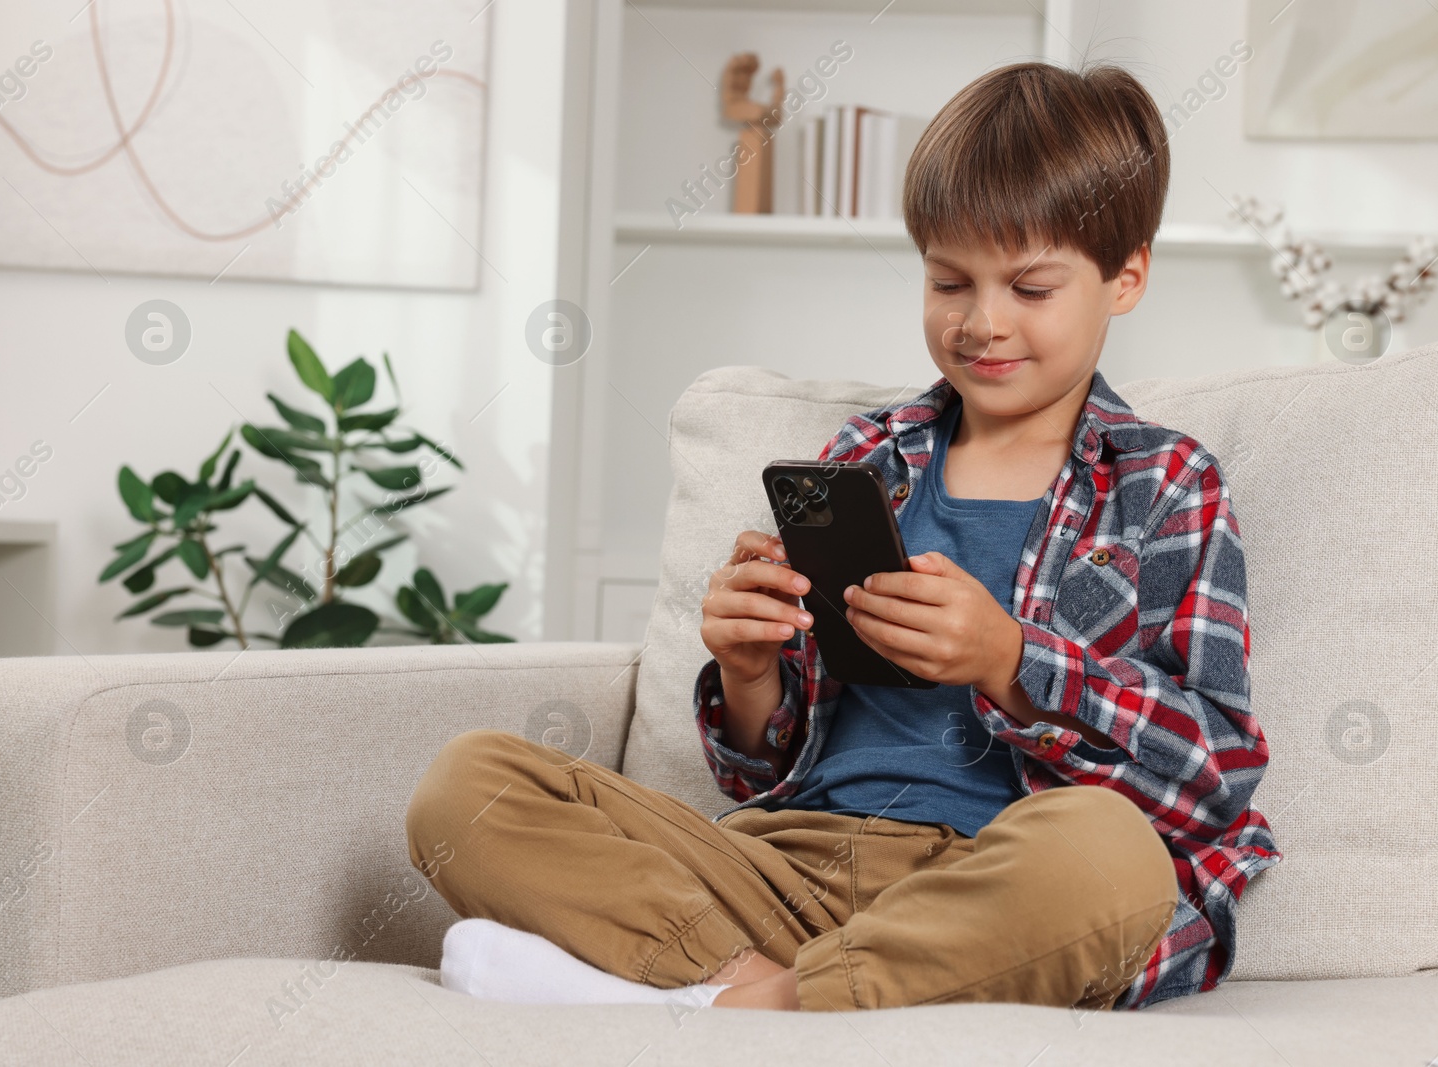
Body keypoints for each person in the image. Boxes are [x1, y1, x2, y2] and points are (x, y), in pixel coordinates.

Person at [405, 59, 1280, 1015]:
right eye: (950, 280)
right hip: (788, 867)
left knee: (1112, 856)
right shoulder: (869, 457)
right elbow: (757, 767)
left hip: (997, 885)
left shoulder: (1163, 486)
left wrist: (1009, 659)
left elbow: (1217, 770)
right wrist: (748, 672)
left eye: (1030, 288)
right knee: (468, 786)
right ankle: (779, 993)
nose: (982, 322)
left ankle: (729, 1009)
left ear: (1126, 278)